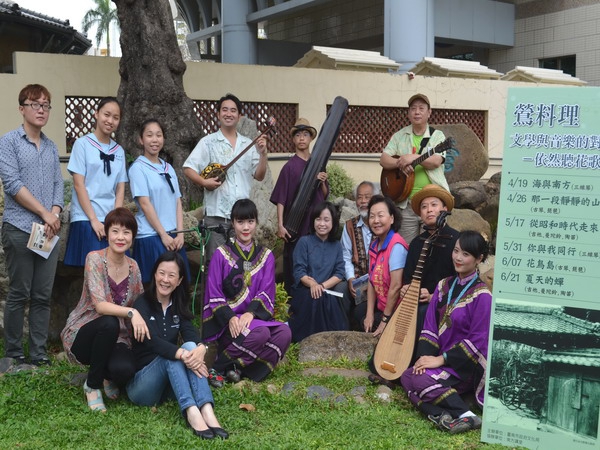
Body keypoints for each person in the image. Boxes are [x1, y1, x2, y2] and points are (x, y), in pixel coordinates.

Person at [127, 252, 228, 440]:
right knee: (173, 355)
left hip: (168, 387)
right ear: (155, 274)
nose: (165, 280)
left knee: (190, 346)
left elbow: (189, 330)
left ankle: (207, 409)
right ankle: (192, 411)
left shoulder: (178, 304)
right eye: (161, 273)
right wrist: (182, 353)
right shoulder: (142, 303)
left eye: (171, 275)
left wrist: (200, 348)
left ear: (180, 280)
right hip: (142, 387)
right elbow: (152, 341)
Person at [400, 231, 492, 434]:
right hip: (440, 361)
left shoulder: (483, 296)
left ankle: (465, 414)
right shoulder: (443, 286)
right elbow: (430, 327)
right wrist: (424, 358)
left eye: (466, 254)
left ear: (479, 259)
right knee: (407, 376)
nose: (458, 258)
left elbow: (478, 342)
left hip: (465, 365)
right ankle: (440, 414)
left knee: (420, 380)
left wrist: (441, 360)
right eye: (456, 251)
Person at [0, 84, 63, 366]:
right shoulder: (9, 142)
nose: (41, 109)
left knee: (42, 295)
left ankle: (37, 354)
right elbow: (13, 185)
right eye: (34, 103)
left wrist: (55, 212)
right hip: (19, 227)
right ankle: (13, 353)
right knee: (19, 293)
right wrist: (45, 213)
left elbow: (57, 184)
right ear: (21, 108)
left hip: (47, 233)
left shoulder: (50, 147)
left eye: (46, 105)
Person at [61, 208, 147, 412]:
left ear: (133, 237)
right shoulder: (95, 259)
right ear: (107, 233)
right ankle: (92, 385)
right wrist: (132, 313)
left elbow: (140, 301)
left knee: (124, 371)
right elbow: (100, 305)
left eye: (126, 232)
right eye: (115, 231)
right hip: (85, 332)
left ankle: (108, 376)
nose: (120, 237)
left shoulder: (134, 267)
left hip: (118, 336)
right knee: (108, 322)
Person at [203, 199, 291, 384]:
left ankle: (240, 372)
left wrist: (250, 313)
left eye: (250, 222)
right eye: (240, 222)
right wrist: (231, 318)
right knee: (261, 334)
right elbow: (214, 293)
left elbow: (267, 292)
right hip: (229, 325)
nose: (246, 227)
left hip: (254, 321)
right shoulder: (221, 254)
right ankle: (217, 368)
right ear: (232, 223)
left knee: (284, 333)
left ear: (256, 223)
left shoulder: (266, 256)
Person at [183, 93, 268, 262]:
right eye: (225, 110)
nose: (229, 114)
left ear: (239, 116)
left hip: (242, 219)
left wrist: (263, 154)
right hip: (217, 216)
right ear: (218, 114)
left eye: (233, 110)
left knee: (242, 264)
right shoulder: (208, 142)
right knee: (216, 265)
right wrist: (203, 182)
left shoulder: (248, 144)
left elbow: (259, 175)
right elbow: (188, 168)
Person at [64, 97, 128, 267]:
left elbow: (120, 187)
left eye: (115, 117)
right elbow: (79, 185)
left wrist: (116, 222)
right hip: (86, 218)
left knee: (115, 273)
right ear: (96, 114)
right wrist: (93, 219)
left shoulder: (119, 150)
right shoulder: (82, 144)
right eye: (106, 115)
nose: (110, 120)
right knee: (93, 274)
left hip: (110, 221)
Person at [379, 93, 450, 244]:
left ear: (429, 112)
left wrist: (412, 158)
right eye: (413, 108)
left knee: (432, 247)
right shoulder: (400, 135)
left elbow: (436, 161)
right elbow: (384, 159)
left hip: (431, 203)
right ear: (408, 113)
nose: (417, 112)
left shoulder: (437, 136)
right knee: (406, 248)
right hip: (406, 203)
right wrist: (400, 162)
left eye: (421, 108)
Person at [270, 118, 329, 293]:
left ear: (311, 138)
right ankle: (294, 303)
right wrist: (280, 225)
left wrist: (323, 182)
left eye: (305, 134)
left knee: (317, 262)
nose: (302, 138)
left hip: (315, 223)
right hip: (295, 226)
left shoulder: (318, 163)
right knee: (295, 263)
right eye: (298, 135)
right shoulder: (289, 167)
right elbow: (281, 198)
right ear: (293, 139)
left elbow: (324, 195)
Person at [129, 119, 190, 284]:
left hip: (173, 238)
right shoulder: (137, 168)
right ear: (141, 140)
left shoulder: (168, 168)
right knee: (154, 288)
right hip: (151, 236)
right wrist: (163, 235)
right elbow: (145, 204)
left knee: (178, 287)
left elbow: (177, 200)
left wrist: (180, 233)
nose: (154, 140)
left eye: (158, 135)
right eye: (149, 135)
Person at [402, 184, 459, 361]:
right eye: (424, 207)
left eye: (434, 205)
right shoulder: (417, 243)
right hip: (416, 300)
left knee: (423, 312)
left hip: (446, 303)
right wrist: (406, 289)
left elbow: (462, 282)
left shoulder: (457, 241)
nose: (429, 210)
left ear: (444, 209)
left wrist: (434, 295)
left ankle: (416, 364)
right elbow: (408, 278)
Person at [288, 201, 347, 342]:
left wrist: (322, 286)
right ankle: (306, 341)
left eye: (326, 220)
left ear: (333, 223)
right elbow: (299, 270)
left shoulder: (337, 246)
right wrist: (313, 285)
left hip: (326, 290)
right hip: (304, 288)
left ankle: (330, 343)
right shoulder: (304, 242)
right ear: (313, 221)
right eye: (318, 219)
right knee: (314, 298)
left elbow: (340, 273)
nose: (322, 224)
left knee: (328, 301)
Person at [354, 195, 408, 337]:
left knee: (373, 327)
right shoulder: (374, 245)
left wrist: (384, 321)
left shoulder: (396, 245)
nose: (376, 220)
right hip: (381, 305)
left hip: (397, 311)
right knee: (359, 313)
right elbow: (372, 281)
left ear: (391, 218)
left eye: (380, 215)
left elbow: (396, 286)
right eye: (372, 216)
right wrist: (369, 314)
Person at [339, 181, 376, 324]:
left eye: (368, 197)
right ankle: (342, 331)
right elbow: (345, 256)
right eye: (360, 197)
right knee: (340, 291)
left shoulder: (381, 224)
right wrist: (350, 279)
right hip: (357, 280)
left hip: (378, 281)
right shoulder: (349, 226)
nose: (363, 201)